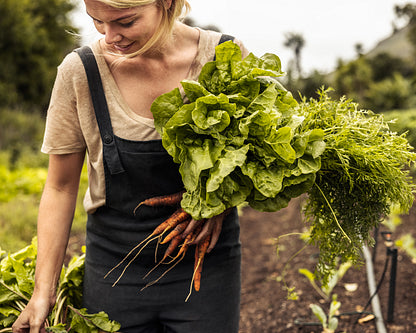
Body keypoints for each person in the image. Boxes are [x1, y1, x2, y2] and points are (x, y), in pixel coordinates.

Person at [12, 0, 249, 332]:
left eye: (125, 22)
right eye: (98, 22)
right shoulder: (81, 72)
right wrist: (42, 291)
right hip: (114, 272)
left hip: (205, 270)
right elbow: (60, 186)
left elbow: (259, 159)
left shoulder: (224, 57)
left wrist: (217, 202)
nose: (111, 37)